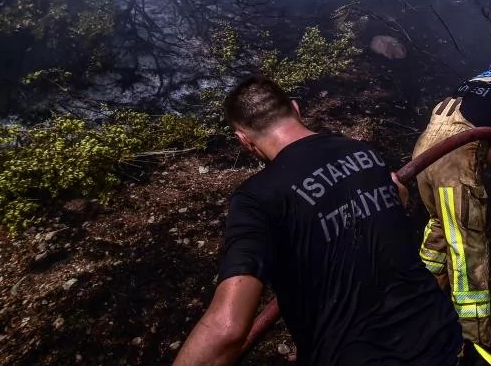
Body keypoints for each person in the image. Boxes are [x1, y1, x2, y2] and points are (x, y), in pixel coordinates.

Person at [172, 76, 464, 366]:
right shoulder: (363, 152)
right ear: (296, 109)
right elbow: (395, 202)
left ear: (244, 140)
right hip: (442, 338)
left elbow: (227, 330)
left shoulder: (256, 198)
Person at [410, 54, 491, 361]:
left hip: (424, 161)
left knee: (439, 225)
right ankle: (471, 341)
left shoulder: (465, 88)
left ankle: (417, 299)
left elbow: (465, 136)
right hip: (453, 172)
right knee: (468, 246)